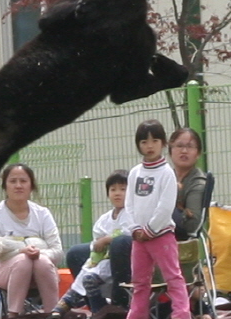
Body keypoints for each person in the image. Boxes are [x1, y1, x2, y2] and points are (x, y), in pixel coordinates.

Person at [66, 126, 206, 305]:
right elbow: (133, 205)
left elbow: (191, 225)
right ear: (170, 148)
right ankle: (98, 306)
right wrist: (136, 227)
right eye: (179, 145)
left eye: (190, 146)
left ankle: (121, 304)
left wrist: (159, 216)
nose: (184, 151)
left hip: (166, 239)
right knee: (75, 253)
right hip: (137, 233)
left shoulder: (196, 182)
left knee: (120, 243)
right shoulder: (152, 172)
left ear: (198, 153)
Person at [114, 119, 192, 319]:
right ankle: (136, 318)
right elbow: (129, 204)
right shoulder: (135, 173)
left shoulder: (166, 173)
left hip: (161, 235)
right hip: (139, 238)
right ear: (138, 145)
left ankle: (181, 316)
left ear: (163, 143)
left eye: (155, 141)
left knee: (172, 276)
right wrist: (135, 228)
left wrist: (150, 229)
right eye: (144, 142)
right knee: (140, 281)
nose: (149, 146)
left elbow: (165, 206)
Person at [47, 170, 130, 319]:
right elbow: (96, 241)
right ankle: (68, 311)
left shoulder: (132, 214)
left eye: (123, 189)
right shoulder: (104, 219)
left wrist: (108, 240)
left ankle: (101, 313)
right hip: (100, 259)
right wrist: (98, 248)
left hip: (122, 261)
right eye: (113, 189)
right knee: (84, 271)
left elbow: (129, 234)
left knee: (90, 277)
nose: (117, 193)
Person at [0, 163, 63, 319]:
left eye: (23, 181)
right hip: (2, 271)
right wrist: (22, 251)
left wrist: (39, 253)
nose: (18, 186)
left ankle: (53, 314)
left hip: (40, 270)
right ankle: (13, 315)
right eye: (13, 181)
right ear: (5, 186)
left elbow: (57, 252)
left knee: (42, 260)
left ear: (31, 185)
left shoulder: (43, 214)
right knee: (23, 260)